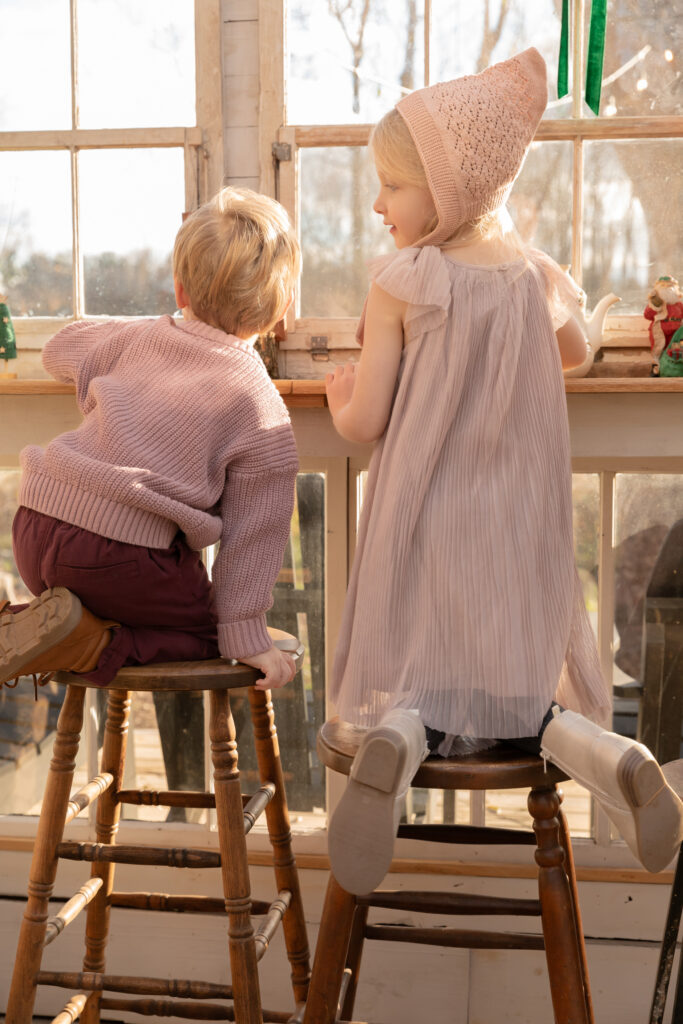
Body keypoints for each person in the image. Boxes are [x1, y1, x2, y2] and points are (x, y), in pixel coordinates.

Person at [324, 48, 683, 895]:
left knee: (422, 681)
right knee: (527, 704)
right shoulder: (528, 276)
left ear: (445, 195)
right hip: (520, 531)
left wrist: (340, 400)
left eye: (392, 187)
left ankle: (398, 743)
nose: (379, 204)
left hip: (427, 520)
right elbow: (575, 352)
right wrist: (554, 302)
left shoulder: (404, 280)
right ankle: (611, 752)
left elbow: (369, 419)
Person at [0, 187, 301, 695]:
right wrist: (245, 633)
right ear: (282, 307)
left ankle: (37, 620)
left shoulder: (137, 338)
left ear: (180, 290)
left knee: (127, 599)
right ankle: (91, 644)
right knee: (215, 636)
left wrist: (150, 329)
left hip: (32, 528)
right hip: (120, 558)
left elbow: (59, 349)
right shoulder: (260, 402)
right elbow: (254, 538)